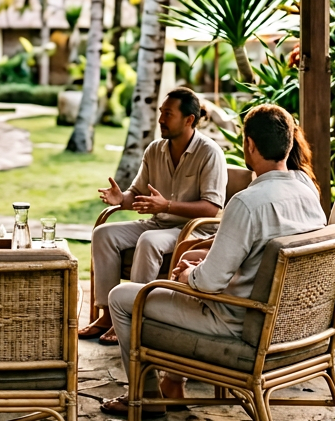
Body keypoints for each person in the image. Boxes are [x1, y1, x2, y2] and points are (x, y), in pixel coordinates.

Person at [99, 104, 327, 417]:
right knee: (190, 262)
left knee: (123, 297)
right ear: (289, 144)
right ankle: (171, 382)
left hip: (237, 324)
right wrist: (196, 264)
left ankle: (146, 394)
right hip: (288, 321)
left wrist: (186, 275)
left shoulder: (247, 203)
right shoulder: (306, 190)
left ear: (249, 145)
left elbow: (209, 283)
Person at [79, 87, 228, 345]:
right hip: (159, 222)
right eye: (161, 112)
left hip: (195, 230)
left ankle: (133, 314)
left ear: (188, 120)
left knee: (149, 240)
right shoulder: (155, 150)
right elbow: (136, 193)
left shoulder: (210, 153)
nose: (161, 119)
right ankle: (107, 315)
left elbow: (211, 208)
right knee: (103, 233)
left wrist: (167, 205)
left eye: (168, 114)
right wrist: (121, 200)